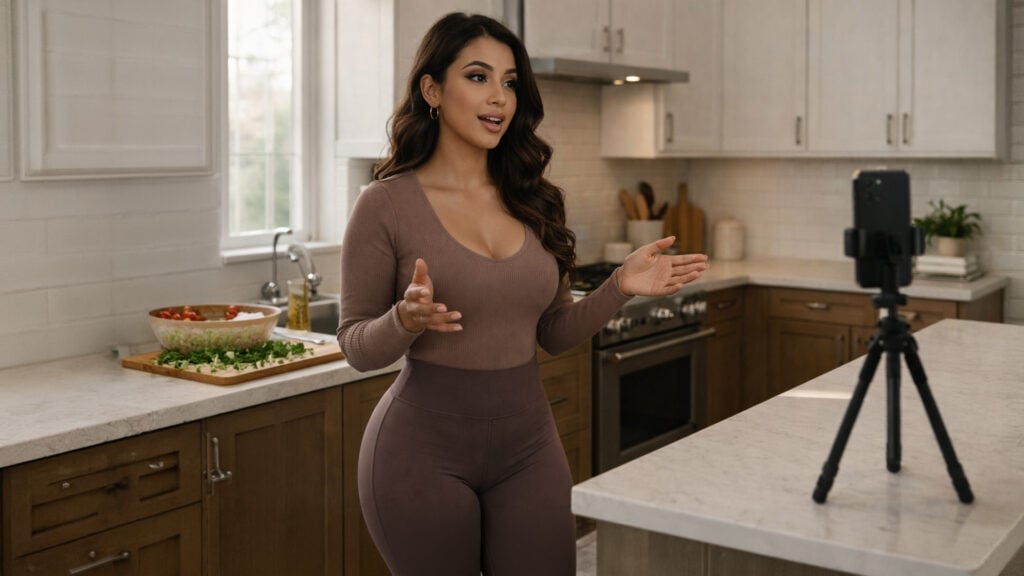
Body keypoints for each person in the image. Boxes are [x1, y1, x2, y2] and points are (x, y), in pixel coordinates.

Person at [337, 12, 708, 576]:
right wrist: (403, 321)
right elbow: (357, 346)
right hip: (418, 456)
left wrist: (618, 287)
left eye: (510, 82)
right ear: (432, 89)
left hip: (528, 447)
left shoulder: (535, 199)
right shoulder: (384, 204)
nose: (499, 98)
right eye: (479, 77)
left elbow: (554, 333)